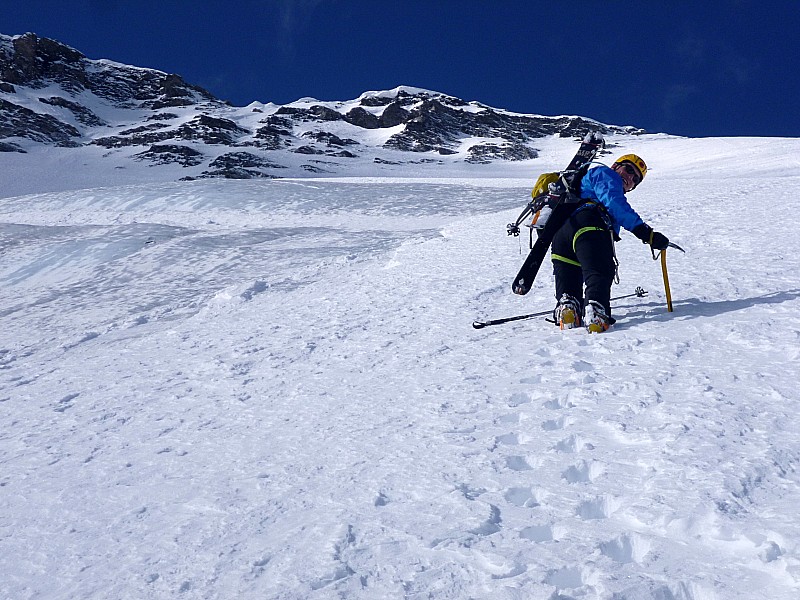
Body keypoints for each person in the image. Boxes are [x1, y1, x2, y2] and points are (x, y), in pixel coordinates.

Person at [551, 153, 669, 333]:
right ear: (615, 166)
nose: (629, 177)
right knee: (601, 269)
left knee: (570, 279)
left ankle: (569, 311)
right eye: (628, 169)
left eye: (635, 179)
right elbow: (615, 204)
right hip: (589, 225)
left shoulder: (584, 184)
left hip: (561, 234)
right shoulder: (606, 174)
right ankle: (597, 313)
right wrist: (646, 233)